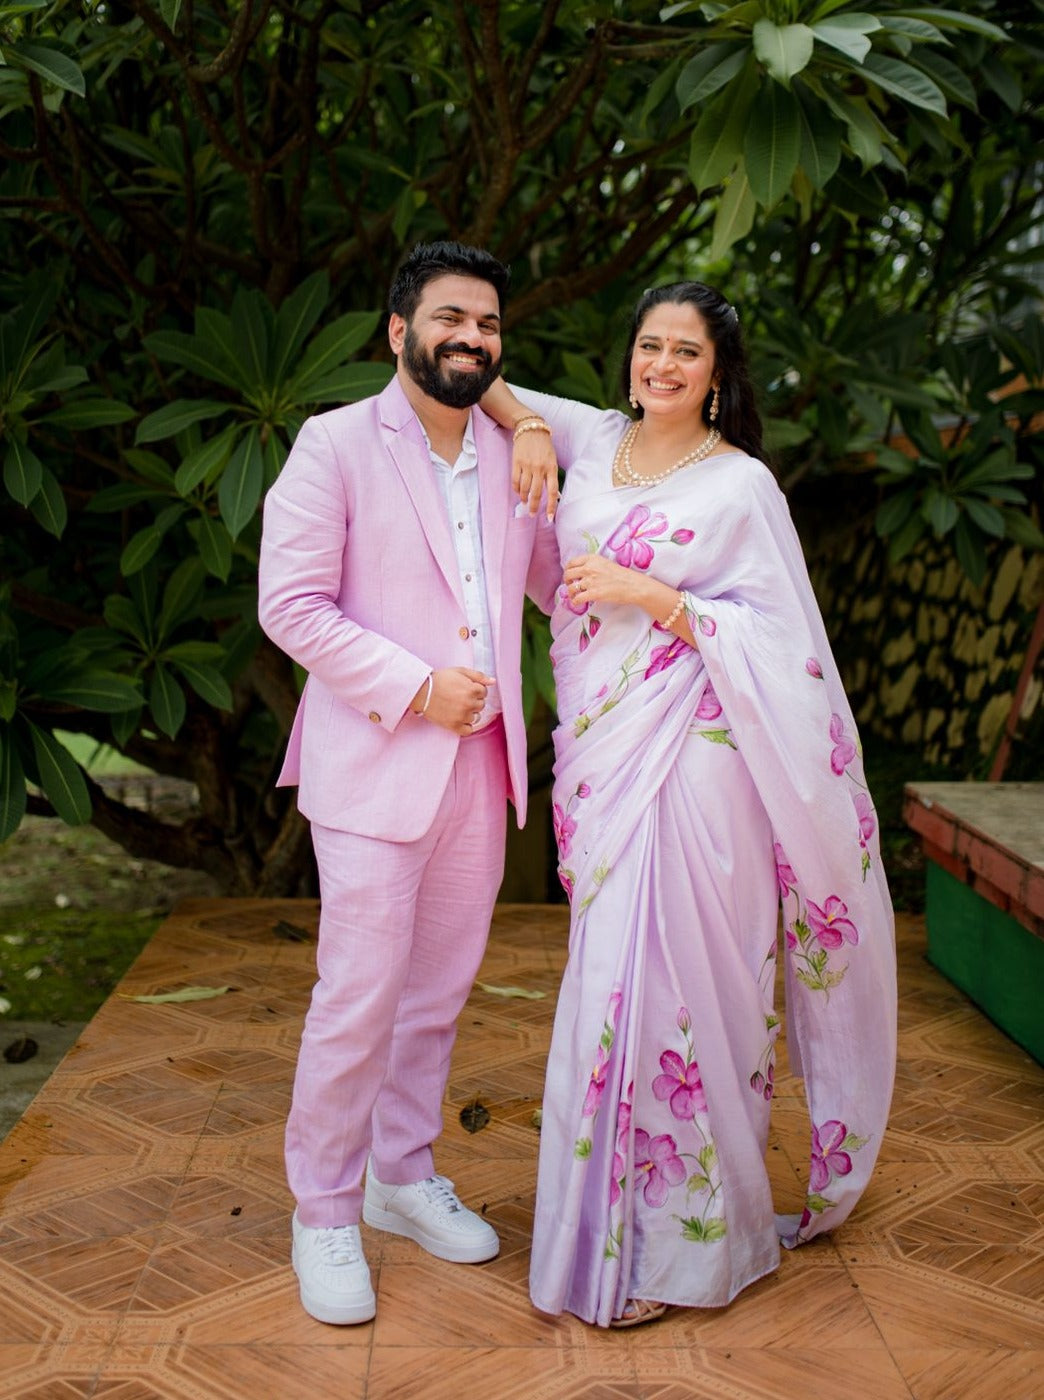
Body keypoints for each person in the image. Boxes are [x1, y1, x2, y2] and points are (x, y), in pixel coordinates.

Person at [484, 281, 897, 1328]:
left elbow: (785, 642)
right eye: (650, 345)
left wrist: (655, 598)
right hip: (605, 757)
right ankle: (604, 1239)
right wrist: (530, 423)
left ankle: (692, 1246)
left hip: (701, 763)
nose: (662, 363)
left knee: (689, 991)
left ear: (719, 376)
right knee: (608, 981)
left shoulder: (743, 485)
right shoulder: (592, 436)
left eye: (687, 352)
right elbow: (484, 381)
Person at [257, 241, 559, 1326]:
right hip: (377, 762)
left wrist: (527, 423)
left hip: (483, 769)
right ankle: (323, 1206)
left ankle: (398, 1172)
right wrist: (415, 683)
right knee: (358, 994)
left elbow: (564, 582)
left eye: (486, 324)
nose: (469, 338)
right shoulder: (333, 443)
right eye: (448, 319)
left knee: (436, 992)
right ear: (399, 331)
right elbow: (290, 605)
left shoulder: (519, 451)